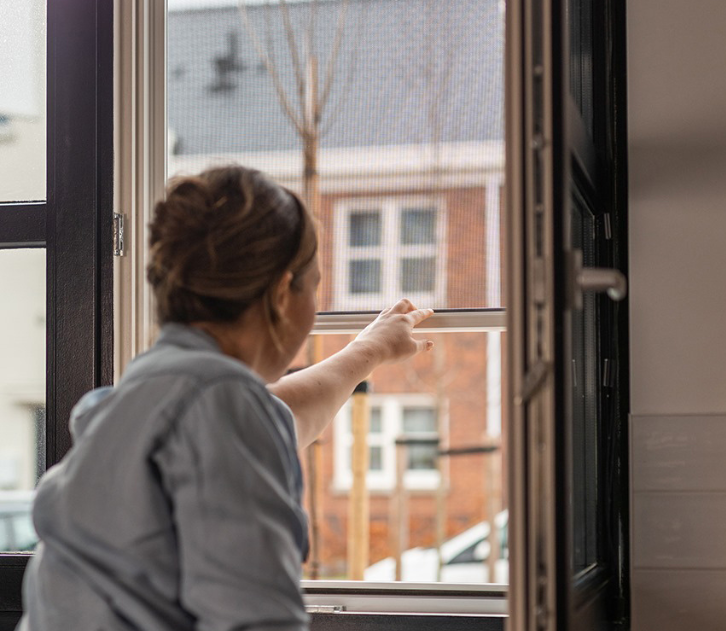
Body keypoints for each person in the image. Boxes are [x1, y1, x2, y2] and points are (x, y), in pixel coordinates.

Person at [17, 165, 434, 631]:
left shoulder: (139, 400)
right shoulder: (222, 407)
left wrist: (369, 350)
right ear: (281, 294)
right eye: (313, 286)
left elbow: (283, 413)